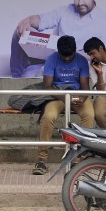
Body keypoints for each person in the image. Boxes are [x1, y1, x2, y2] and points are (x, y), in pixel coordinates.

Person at [11, 0, 106, 78]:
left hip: (79, 64)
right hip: (55, 57)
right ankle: (15, 79)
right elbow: (43, 19)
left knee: (39, 72)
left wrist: (70, 52)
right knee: (19, 34)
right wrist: (28, 21)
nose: (80, 2)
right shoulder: (65, 11)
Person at [32, 35, 94, 175]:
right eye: (63, 56)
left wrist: (82, 99)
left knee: (89, 116)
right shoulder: (52, 59)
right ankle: (42, 159)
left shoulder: (81, 60)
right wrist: (65, 98)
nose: (66, 59)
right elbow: (47, 86)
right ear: (58, 51)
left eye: (70, 56)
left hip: (77, 95)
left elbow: (85, 86)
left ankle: (78, 157)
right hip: (57, 94)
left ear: (74, 51)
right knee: (48, 117)